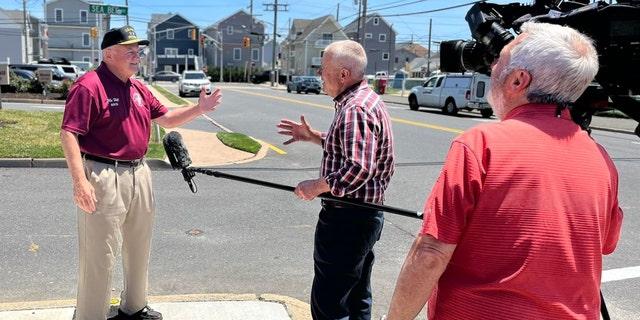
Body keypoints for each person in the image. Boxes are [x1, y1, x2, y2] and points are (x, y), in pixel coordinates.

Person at [384, 22, 624, 320]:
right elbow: (605, 243)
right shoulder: (601, 158)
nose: (492, 66)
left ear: (518, 80)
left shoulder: (480, 143)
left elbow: (431, 253)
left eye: (499, 60)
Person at [60, 26, 222, 320]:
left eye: (139, 51)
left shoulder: (138, 88)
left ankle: (133, 307)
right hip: (103, 174)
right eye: (130, 50)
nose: (137, 55)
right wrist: (79, 181)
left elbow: (168, 119)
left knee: (138, 246)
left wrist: (199, 109)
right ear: (109, 54)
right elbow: (69, 134)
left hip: (140, 173)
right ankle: (90, 315)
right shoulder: (89, 86)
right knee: (99, 254)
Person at [277, 40, 395, 319]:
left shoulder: (355, 108)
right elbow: (350, 146)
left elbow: (358, 167)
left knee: (330, 304)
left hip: (347, 220)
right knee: (356, 297)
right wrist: (313, 136)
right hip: (363, 218)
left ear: (343, 74)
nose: (319, 74)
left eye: (324, 69)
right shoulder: (365, 101)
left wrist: (315, 187)